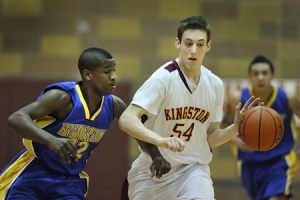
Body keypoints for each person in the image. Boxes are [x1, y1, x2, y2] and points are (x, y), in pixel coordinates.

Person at [118, 15, 261, 200]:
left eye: (200, 44)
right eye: (188, 43)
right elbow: (126, 119)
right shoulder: (163, 78)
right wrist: (160, 140)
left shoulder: (215, 84)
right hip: (154, 170)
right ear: (178, 43)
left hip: (193, 170)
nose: (193, 50)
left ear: (208, 46)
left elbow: (210, 138)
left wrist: (235, 128)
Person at [0, 47, 165, 200]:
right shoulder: (62, 98)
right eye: (107, 72)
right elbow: (16, 118)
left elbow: (137, 130)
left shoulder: (114, 105)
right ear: (87, 75)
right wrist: (51, 140)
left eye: (114, 70)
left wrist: (156, 155)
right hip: (34, 173)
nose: (113, 76)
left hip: (69, 181)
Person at [222, 55, 300, 200]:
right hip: (249, 163)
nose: (260, 77)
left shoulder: (288, 99)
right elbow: (221, 128)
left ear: (272, 76)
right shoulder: (237, 99)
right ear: (249, 77)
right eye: (256, 73)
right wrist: (238, 142)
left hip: (280, 161)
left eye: (265, 73)